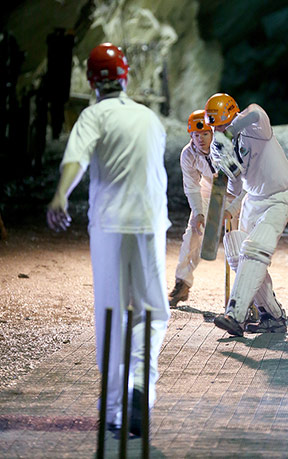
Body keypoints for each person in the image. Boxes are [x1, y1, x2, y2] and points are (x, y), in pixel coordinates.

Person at [46, 42, 170, 436]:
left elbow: (76, 160)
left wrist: (61, 194)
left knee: (112, 313)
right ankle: (140, 385)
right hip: (150, 224)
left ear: (90, 81)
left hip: (109, 226)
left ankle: (115, 408)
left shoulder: (92, 115)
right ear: (126, 76)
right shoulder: (150, 119)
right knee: (152, 311)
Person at [204, 93, 288, 337]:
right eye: (215, 126)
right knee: (236, 248)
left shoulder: (255, 127)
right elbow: (233, 185)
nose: (220, 129)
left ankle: (234, 315)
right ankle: (272, 315)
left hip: (280, 196)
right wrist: (225, 199)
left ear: (233, 116)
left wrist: (231, 130)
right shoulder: (221, 143)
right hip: (253, 200)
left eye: (223, 124)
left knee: (255, 249)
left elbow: (256, 111)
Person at [168, 110, 215, 307]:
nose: (201, 139)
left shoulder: (225, 146)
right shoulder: (188, 154)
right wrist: (198, 213)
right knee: (192, 236)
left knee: (240, 243)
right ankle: (182, 283)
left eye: (205, 134)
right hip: (207, 191)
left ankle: (257, 297)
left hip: (235, 193)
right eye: (196, 135)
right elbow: (191, 186)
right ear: (190, 135)